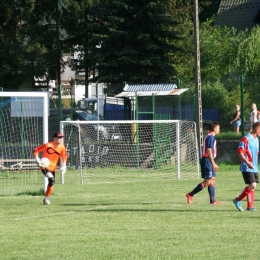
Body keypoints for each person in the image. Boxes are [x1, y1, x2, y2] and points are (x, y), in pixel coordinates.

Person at [186, 122, 221, 205]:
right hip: (207, 160)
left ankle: (213, 201)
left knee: (212, 180)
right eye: (218, 128)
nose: (219, 129)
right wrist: (213, 163)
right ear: (214, 128)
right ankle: (190, 194)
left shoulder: (211, 137)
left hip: (209, 160)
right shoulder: (210, 137)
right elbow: (208, 151)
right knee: (207, 182)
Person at [33, 132, 67, 205]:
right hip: (44, 165)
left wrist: (64, 165)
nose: (61, 139)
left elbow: (64, 156)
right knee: (51, 179)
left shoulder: (62, 147)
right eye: (59, 138)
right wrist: (37, 158)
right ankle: (47, 198)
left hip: (53, 168)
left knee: (52, 182)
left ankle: (46, 198)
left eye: (61, 138)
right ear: (54, 138)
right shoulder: (48, 145)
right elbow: (36, 150)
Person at [233, 122, 260, 211]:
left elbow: (257, 152)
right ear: (257, 129)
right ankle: (238, 200)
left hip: (254, 166)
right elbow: (240, 152)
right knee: (252, 185)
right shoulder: (245, 139)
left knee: (252, 186)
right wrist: (247, 162)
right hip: (247, 166)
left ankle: (249, 207)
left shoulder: (256, 139)